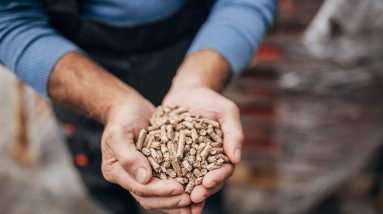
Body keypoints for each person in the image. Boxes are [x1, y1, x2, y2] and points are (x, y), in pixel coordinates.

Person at [0, 0, 277, 213]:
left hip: (187, 50)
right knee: (106, 188)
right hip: (75, 76)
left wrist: (200, 78)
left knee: (203, 199)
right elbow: (9, 18)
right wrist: (112, 103)